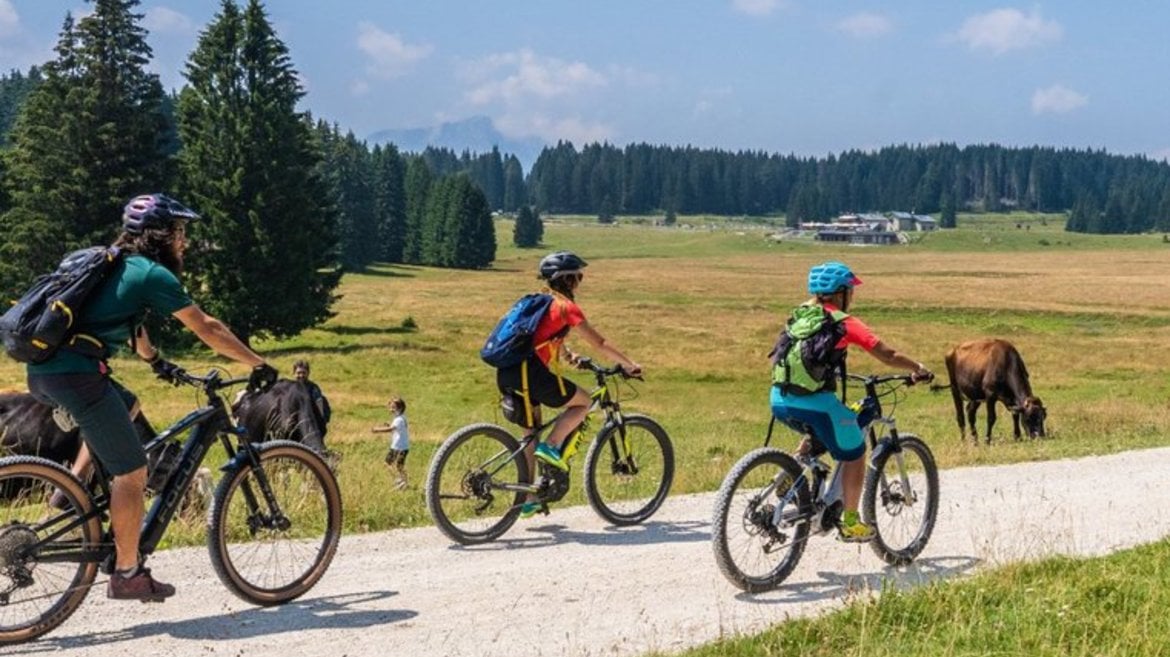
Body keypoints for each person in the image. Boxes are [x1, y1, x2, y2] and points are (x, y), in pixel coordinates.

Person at [26, 193, 277, 602]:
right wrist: (256, 362)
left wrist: (156, 361)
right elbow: (207, 327)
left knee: (128, 405)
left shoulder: (109, 261)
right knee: (132, 472)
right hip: (77, 376)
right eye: (180, 233)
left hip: (44, 371)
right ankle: (127, 573)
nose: (185, 242)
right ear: (159, 235)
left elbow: (129, 321)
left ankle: (68, 490)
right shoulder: (152, 275)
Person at [770, 261, 932, 542]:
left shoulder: (799, 314)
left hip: (780, 400)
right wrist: (917, 368)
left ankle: (793, 473)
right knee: (855, 452)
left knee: (820, 430)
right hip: (816, 404)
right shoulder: (844, 323)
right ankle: (851, 523)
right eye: (850, 291)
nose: (853, 297)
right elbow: (887, 355)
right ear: (840, 293)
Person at [496, 251, 642, 518]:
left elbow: (545, 336)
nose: (579, 282)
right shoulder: (566, 307)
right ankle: (552, 446)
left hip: (508, 372)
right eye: (578, 277)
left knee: (530, 433)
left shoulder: (539, 301)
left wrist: (568, 357)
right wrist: (629, 363)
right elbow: (599, 343)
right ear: (567, 279)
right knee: (584, 401)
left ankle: (527, 498)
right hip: (530, 373)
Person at [372, 396, 410, 489]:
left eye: (393, 408)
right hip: (400, 446)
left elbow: (390, 429)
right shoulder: (401, 418)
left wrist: (377, 430)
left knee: (393, 465)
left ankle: (400, 480)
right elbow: (396, 428)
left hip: (399, 447)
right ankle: (402, 481)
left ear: (400, 408)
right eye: (390, 407)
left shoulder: (399, 419)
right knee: (396, 465)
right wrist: (389, 425)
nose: (391, 410)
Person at [292, 359, 331, 434]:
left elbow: (320, 408)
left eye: (304, 373)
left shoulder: (314, 389)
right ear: (294, 373)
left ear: (308, 373)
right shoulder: (290, 388)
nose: (301, 375)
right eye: (298, 373)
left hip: (310, 427)